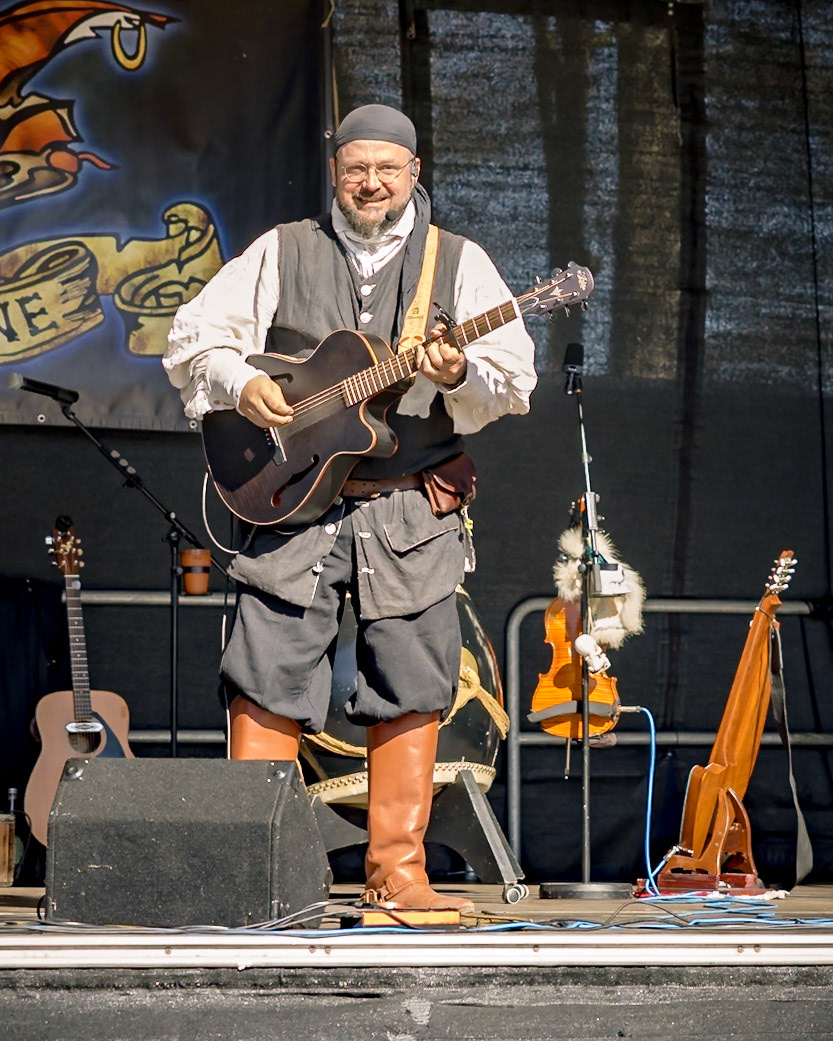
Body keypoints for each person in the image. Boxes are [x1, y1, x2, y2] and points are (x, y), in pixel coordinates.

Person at [163, 104, 537, 913]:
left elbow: (511, 382)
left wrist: (453, 374)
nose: (371, 182)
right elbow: (194, 338)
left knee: (410, 678)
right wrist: (243, 384)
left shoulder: (460, 264)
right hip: (289, 498)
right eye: (356, 166)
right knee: (263, 676)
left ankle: (396, 876)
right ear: (335, 169)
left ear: (413, 172)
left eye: (387, 168)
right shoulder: (282, 247)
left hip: (406, 510)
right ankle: (252, 876)